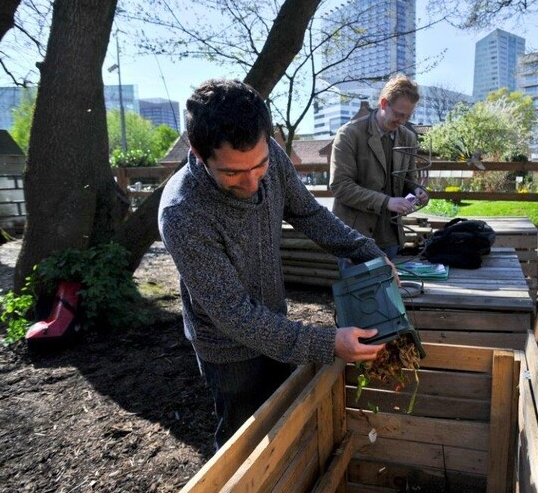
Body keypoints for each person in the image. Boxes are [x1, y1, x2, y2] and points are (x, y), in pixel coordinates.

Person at [158, 79, 389, 449]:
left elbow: (310, 214)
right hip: (227, 348)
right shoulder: (183, 212)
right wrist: (327, 343)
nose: (252, 182)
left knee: (284, 429)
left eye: (259, 165)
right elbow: (234, 314)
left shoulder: (272, 158)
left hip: (276, 321)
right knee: (243, 444)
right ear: (199, 154)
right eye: (233, 173)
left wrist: (368, 252)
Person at [329, 74, 430, 263]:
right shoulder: (349, 135)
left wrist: (417, 191)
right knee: (358, 292)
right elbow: (340, 186)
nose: (402, 121)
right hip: (355, 237)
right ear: (383, 103)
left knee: (387, 291)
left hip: (391, 236)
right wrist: (386, 202)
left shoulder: (408, 138)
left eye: (408, 116)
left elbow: (409, 180)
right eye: (399, 114)